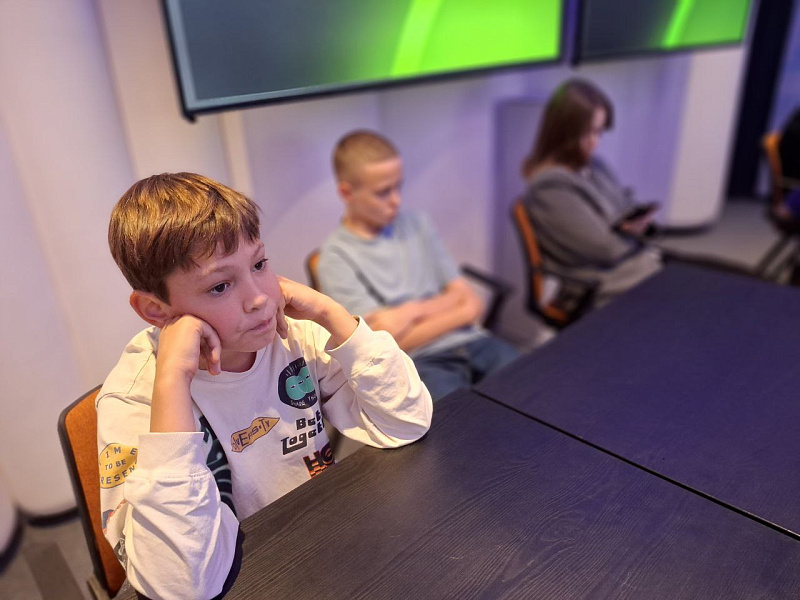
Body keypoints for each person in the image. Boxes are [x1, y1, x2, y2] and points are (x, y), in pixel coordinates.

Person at [97, 173, 432, 599]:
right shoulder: (134, 400)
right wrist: (173, 380)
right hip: (245, 579)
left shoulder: (290, 334)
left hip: (320, 542)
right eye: (220, 286)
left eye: (259, 265)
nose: (259, 298)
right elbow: (181, 584)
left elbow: (406, 422)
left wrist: (331, 313)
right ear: (156, 310)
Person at [317, 130, 519, 402]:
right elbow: (380, 342)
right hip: (420, 360)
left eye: (398, 187)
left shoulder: (417, 224)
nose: (396, 200)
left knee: (538, 388)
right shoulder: (335, 257)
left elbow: (471, 303)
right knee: (462, 423)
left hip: (474, 340)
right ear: (346, 192)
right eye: (383, 192)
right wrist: (451, 306)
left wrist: (407, 313)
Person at [520, 78, 663, 306]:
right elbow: (604, 249)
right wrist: (635, 236)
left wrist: (640, 225)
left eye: (599, 132)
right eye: (588, 133)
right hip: (596, 285)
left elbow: (625, 205)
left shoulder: (594, 166)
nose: (594, 142)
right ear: (562, 132)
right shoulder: (549, 189)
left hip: (627, 268)